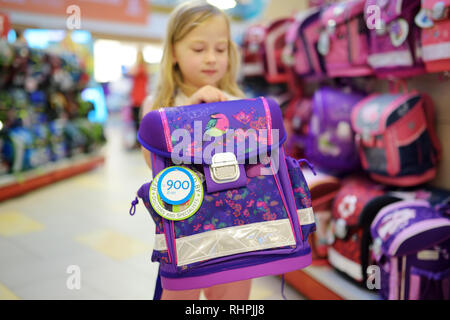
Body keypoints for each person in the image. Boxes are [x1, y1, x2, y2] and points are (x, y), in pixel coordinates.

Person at [140, 1, 252, 300]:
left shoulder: (238, 102)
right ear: (174, 53)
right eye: (199, 49)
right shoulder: (157, 106)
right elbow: (151, 161)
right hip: (183, 234)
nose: (211, 59)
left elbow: (256, 165)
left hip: (234, 232)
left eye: (221, 48)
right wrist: (189, 112)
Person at [130, 50, 149, 148]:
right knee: (136, 122)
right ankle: (137, 141)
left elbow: (131, 72)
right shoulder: (142, 68)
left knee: (138, 122)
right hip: (136, 99)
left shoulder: (141, 68)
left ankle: (139, 142)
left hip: (140, 99)